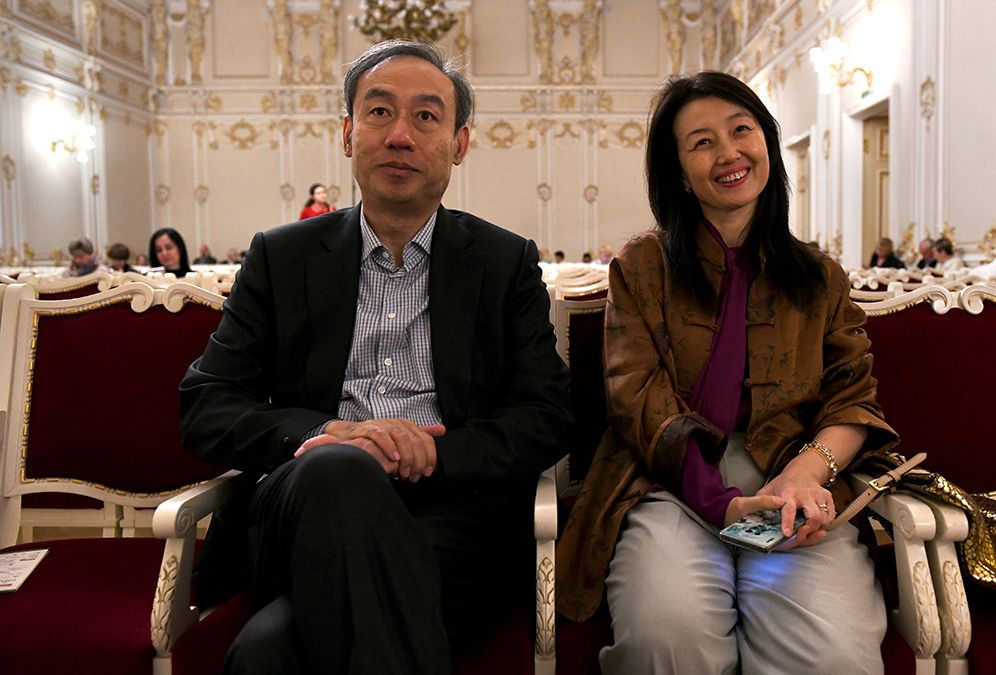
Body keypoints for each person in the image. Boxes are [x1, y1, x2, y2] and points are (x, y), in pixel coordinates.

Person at [179, 40, 571, 674]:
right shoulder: (282, 257)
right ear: (347, 133)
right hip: (303, 506)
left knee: (265, 654)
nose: (400, 136)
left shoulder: (503, 263)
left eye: (426, 116)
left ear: (459, 144)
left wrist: (436, 452)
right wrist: (325, 432)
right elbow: (206, 404)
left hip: (451, 518)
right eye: (380, 112)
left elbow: (547, 414)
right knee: (337, 469)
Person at [557, 71, 899, 674]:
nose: (728, 153)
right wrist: (720, 503)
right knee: (668, 639)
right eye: (702, 143)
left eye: (741, 130)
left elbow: (853, 401)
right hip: (666, 481)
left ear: (766, 140)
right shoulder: (642, 267)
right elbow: (638, 401)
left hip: (794, 481)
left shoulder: (819, 277)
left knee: (833, 655)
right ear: (679, 173)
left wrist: (802, 475)